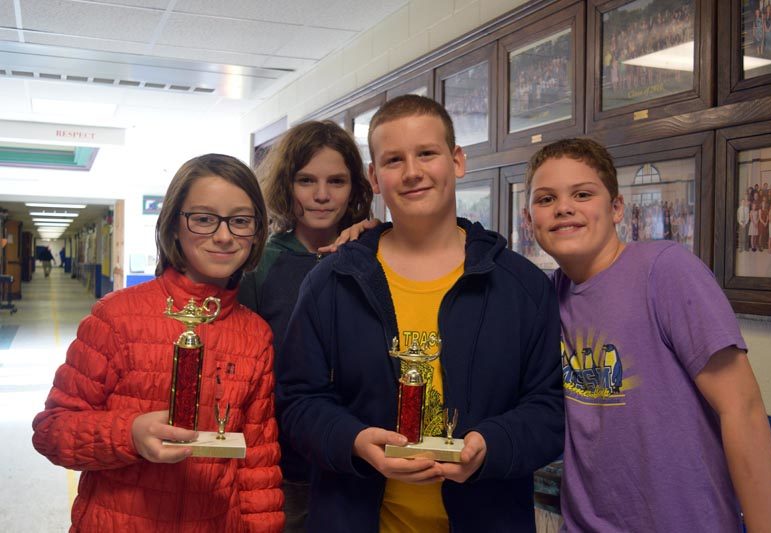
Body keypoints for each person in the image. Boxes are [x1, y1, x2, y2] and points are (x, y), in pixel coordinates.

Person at [277, 95, 564, 532]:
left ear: (457, 161)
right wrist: (354, 442)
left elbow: (550, 408)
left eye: (426, 153)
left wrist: (493, 445)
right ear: (374, 177)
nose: (412, 172)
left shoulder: (521, 286)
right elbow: (297, 402)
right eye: (394, 160)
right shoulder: (331, 283)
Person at [524, 138, 771, 532]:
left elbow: (743, 411)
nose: (564, 207)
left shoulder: (665, 271)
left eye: (582, 193)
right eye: (546, 199)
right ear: (529, 221)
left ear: (616, 209)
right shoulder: (547, 297)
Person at [32, 154, 284, 531]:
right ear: (173, 225)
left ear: (257, 232)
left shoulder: (255, 334)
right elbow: (53, 430)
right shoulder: (117, 317)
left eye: (241, 221)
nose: (224, 235)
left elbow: (257, 465)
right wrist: (129, 434)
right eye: (203, 218)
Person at [238, 120, 372, 531]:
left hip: (359, 460)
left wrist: (373, 237)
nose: (321, 195)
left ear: (355, 188)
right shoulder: (260, 264)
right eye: (306, 180)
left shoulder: (372, 254)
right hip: (284, 465)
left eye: (336, 181)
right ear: (286, 184)